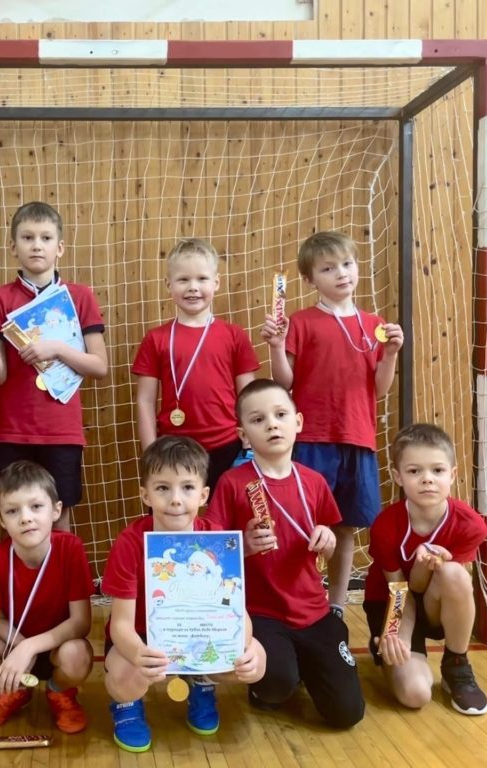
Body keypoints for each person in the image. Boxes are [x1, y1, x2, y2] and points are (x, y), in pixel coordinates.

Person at [206, 379, 365, 729]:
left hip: (313, 611)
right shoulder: (232, 483)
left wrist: (328, 540)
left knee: (347, 713)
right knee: (275, 688)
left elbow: (329, 543)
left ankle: (306, 662)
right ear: (244, 435)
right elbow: (211, 556)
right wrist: (244, 546)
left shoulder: (315, 482)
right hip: (261, 614)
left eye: (280, 415)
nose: (272, 425)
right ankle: (284, 672)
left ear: (298, 422)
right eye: (258, 419)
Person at [261, 230, 404, 616]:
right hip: (311, 440)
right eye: (327, 268)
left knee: (344, 528)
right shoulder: (300, 322)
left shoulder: (374, 325)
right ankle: (299, 602)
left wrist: (391, 353)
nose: (341, 273)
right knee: (303, 525)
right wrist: (276, 347)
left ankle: (336, 605)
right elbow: (284, 383)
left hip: (357, 439)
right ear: (310, 280)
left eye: (347, 264)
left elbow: (379, 388)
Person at [102, 435, 266, 753]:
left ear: (203, 494)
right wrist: (138, 654)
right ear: (146, 495)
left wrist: (241, 646)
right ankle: (127, 706)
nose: (176, 499)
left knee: (256, 660)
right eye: (163, 488)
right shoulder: (130, 542)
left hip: (201, 633)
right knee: (123, 679)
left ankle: (201, 682)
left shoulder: (218, 540)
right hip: (141, 637)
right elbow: (120, 624)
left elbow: (236, 611)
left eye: (187, 487)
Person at [0, 202, 108, 531]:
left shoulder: (80, 296)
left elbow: (99, 366)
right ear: (13, 247)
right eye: (27, 237)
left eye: (45, 238)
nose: (36, 245)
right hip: (10, 429)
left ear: (60, 247)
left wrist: (57, 348)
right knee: (13, 522)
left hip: (61, 431)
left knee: (60, 522)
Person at [0, 461, 94, 733]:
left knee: (78, 655)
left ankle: (60, 691)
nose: (25, 518)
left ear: (56, 510)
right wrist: (19, 646)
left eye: (36, 506)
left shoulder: (71, 549)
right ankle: (15, 689)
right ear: (1, 520)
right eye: (12, 510)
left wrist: (29, 647)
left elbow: (81, 623)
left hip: (57, 646)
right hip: (11, 645)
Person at [363, 423, 487, 715]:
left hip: (434, 603)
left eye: (437, 470)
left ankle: (457, 666)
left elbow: (449, 588)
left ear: (452, 474)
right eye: (414, 471)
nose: (427, 479)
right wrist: (395, 634)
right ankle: (385, 648)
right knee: (415, 694)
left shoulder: (470, 525)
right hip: (393, 602)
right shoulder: (385, 526)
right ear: (398, 476)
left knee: (454, 573)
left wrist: (433, 566)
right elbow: (399, 589)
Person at [133, 238, 260, 495]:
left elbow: (249, 398)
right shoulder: (156, 339)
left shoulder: (234, 335)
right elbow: (145, 401)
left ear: (216, 282)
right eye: (183, 280)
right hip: (173, 449)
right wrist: (151, 453)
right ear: (168, 285)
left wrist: (251, 441)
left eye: (202, 279)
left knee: (228, 516)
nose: (193, 287)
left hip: (228, 445)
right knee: (173, 515)